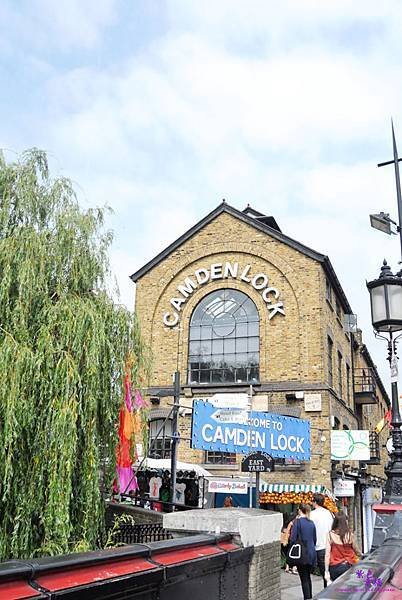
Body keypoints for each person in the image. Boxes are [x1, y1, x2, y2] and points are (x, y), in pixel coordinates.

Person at [289, 504, 317, 599]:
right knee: (308, 577)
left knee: (304, 578)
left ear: (299, 510)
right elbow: (314, 539)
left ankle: (307, 598)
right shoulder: (311, 523)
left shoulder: (297, 522)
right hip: (311, 552)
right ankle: (309, 597)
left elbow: (292, 538)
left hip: (302, 553)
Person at [324, 512, 362, 583]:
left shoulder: (330, 535)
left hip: (335, 568)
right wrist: (362, 556)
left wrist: (326, 571)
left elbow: (327, 554)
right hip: (349, 566)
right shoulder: (350, 535)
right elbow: (356, 550)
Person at [310, 492, 334, 588]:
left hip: (317, 547)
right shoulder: (328, 513)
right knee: (327, 574)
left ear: (315, 502)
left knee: (320, 574)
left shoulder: (312, 514)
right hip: (328, 546)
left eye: (312, 501)